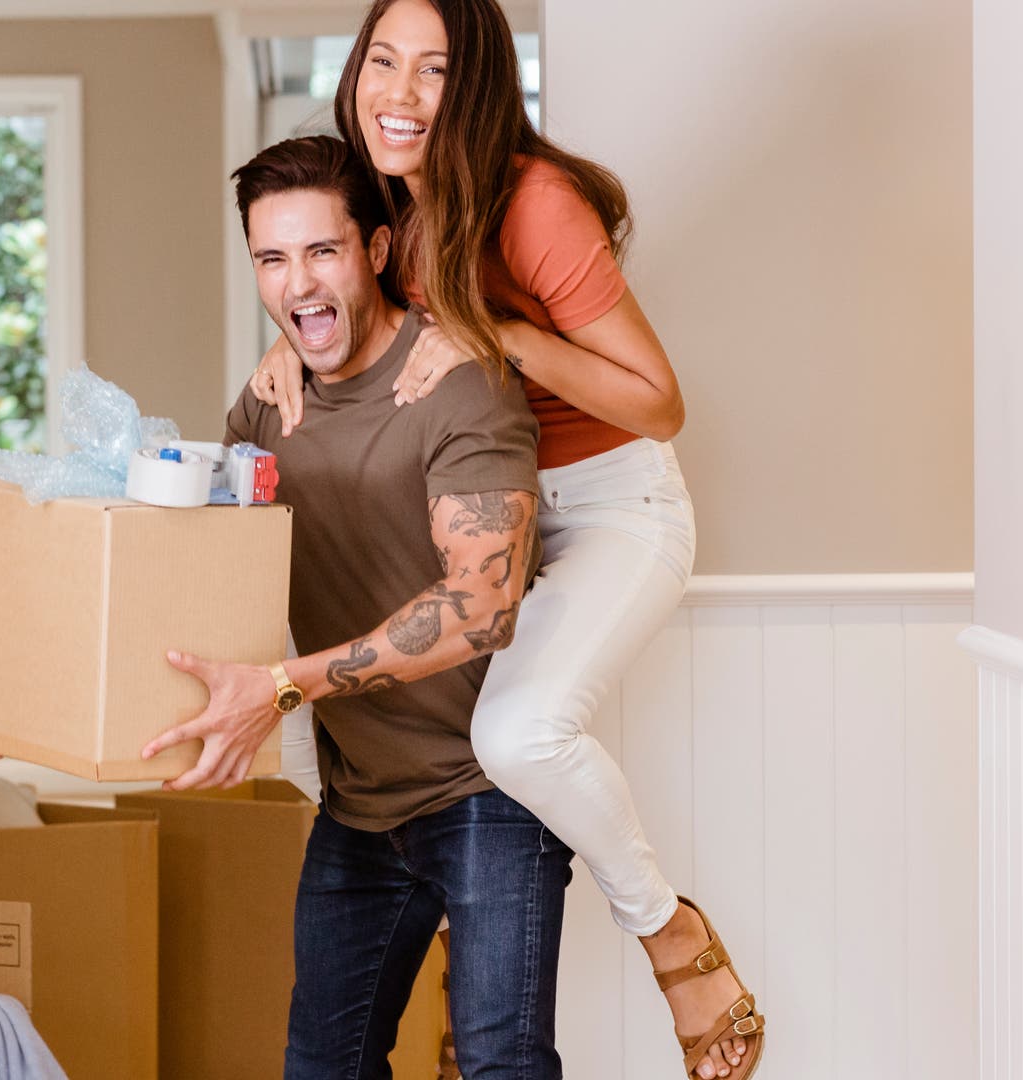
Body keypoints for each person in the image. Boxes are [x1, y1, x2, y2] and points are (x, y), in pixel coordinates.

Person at [0, 135, 569, 1077]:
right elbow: (193, 587)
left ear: (377, 249)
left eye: (321, 251)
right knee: (321, 1068)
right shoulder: (268, 408)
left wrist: (281, 685)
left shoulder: (460, 385)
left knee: (501, 1069)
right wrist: (27, 699)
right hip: (361, 806)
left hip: (488, 797)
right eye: (272, 259)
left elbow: (482, 606)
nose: (298, 283)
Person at [245, 3, 764, 1078]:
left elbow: (658, 402)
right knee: (363, 746)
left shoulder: (532, 204)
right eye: (382, 61)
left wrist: (503, 334)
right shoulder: (375, 192)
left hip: (607, 500)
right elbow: (320, 284)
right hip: (489, 493)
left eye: (433, 70)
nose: (399, 92)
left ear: (476, 84)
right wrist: (286, 354)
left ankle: (670, 931)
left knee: (517, 739)